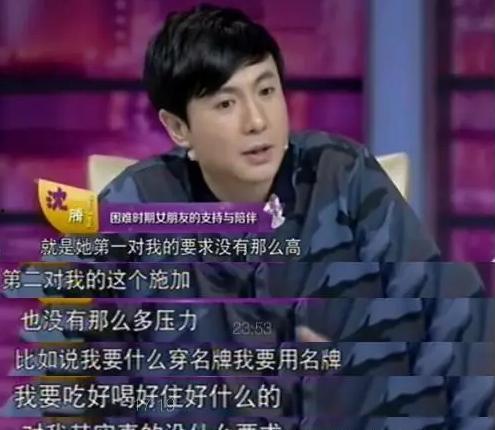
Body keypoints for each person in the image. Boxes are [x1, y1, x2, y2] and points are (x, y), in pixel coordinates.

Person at [6, 4, 494, 429]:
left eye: (266, 90)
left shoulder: (342, 175)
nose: (257, 121)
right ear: (178, 128)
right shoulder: (136, 205)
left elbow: (449, 318)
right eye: (225, 103)